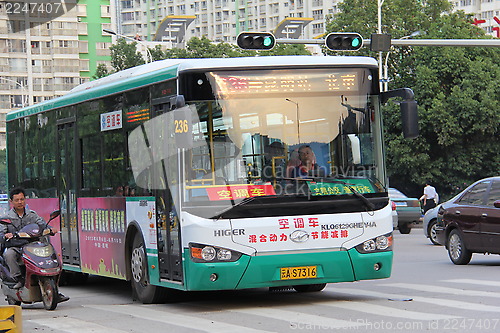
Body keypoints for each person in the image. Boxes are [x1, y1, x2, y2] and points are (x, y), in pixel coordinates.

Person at [0, 188, 69, 301]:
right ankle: (17, 279)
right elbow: (2, 232)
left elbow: (42, 224)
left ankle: (55, 289)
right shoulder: (6, 218)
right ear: (11, 201)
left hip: (33, 245)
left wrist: (51, 229)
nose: (20, 202)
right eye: (17, 200)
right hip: (17, 246)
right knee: (9, 255)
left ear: (25, 200)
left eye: (22, 199)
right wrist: (6, 235)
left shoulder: (32, 215)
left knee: (49, 252)